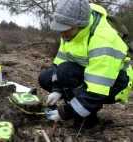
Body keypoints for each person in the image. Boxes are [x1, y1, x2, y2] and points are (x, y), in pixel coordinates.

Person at [38, 0, 133, 129]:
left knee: (66, 71)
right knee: (46, 78)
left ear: (80, 24)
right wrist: (57, 89)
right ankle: (79, 108)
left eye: (66, 29)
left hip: (115, 83)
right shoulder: (70, 32)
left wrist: (66, 112)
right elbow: (60, 63)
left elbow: (97, 91)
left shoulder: (103, 40)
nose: (63, 33)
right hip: (88, 74)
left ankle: (87, 120)